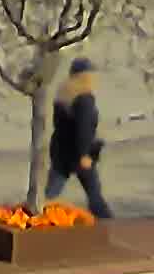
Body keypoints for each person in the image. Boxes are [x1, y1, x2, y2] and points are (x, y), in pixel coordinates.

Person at [45, 60, 112, 220]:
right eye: (91, 75)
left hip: (61, 151)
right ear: (85, 76)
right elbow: (84, 128)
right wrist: (84, 154)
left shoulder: (63, 93)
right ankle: (108, 225)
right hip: (80, 154)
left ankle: (34, 218)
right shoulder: (84, 97)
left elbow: (61, 125)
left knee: (49, 195)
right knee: (95, 197)